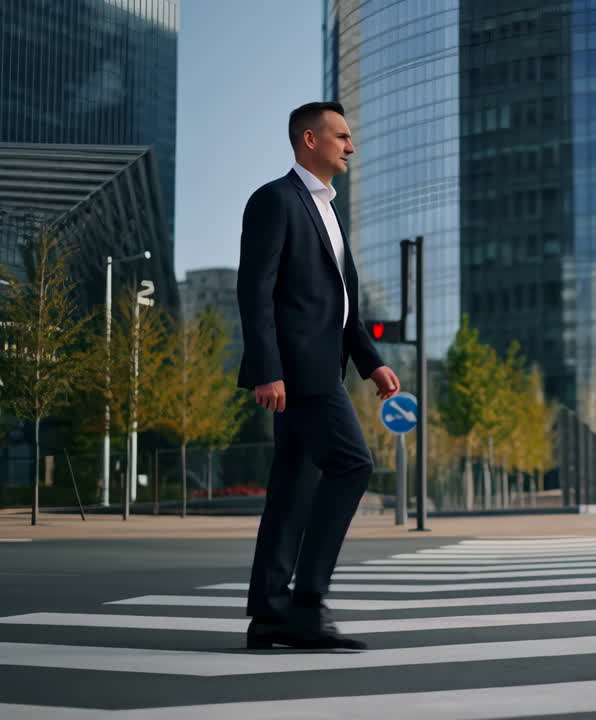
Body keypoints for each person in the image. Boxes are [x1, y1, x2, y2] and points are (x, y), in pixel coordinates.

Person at [236, 101, 399, 650]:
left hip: (322, 368)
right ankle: (308, 601)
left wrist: (371, 361)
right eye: (342, 137)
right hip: (299, 374)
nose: (351, 146)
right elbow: (255, 291)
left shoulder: (329, 211)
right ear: (310, 140)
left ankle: (268, 617)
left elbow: (342, 303)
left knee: (291, 492)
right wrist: (267, 369)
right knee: (353, 464)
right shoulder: (275, 200)